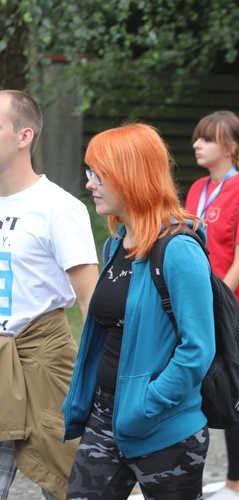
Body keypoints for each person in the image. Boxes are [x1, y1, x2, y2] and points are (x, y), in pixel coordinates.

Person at [62, 123, 216, 499]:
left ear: (129, 176)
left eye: (98, 174)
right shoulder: (115, 245)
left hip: (163, 428)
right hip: (104, 417)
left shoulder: (179, 250)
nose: (90, 184)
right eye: (89, 173)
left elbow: (198, 348)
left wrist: (147, 405)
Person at [0, 90, 99, 500]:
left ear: (24, 136)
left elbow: (92, 302)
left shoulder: (59, 207)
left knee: (70, 488)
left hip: (44, 358)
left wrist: (106, 380)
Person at [185, 111, 239, 500]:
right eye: (197, 138)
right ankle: (190, 483)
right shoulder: (197, 189)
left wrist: (214, 302)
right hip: (194, 307)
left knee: (228, 397)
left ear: (230, 147)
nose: (196, 144)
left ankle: (235, 486)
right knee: (193, 396)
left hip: (227, 311)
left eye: (206, 139)